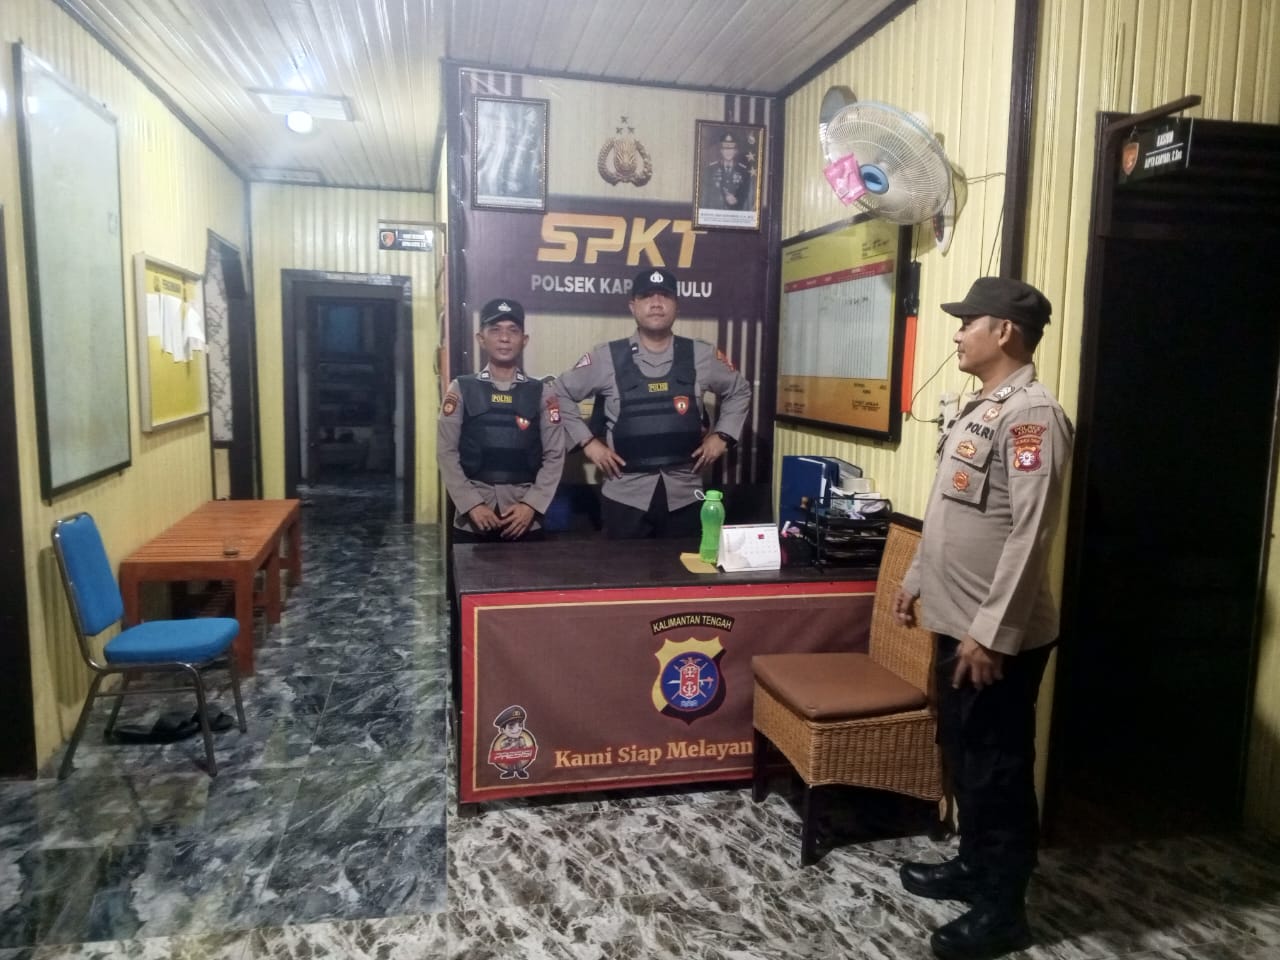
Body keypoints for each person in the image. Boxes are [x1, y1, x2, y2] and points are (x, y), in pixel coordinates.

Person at [893, 277, 1074, 960]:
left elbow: (1031, 532)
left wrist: (991, 635)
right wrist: (915, 579)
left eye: (969, 321)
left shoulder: (1032, 416)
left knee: (998, 770)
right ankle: (973, 867)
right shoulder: (982, 408)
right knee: (967, 757)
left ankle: (1003, 911)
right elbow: (947, 511)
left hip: (996, 639)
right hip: (959, 625)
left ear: (1004, 331)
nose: (958, 332)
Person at [554, 267, 751, 539]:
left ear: (677, 306)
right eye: (647, 296)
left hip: (685, 495)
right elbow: (557, 393)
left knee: (685, 566)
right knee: (624, 567)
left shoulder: (700, 354)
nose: (656, 303)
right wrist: (588, 443)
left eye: (665, 296)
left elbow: (740, 390)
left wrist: (723, 436)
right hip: (624, 497)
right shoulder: (606, 356)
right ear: (633, 306)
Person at [437, 298, 564, 542]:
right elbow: (446, 452)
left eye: (513, 331)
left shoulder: (543, 392)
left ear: (524, 340)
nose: (504, 338)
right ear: (481, 339)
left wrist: (531, 505)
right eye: (495, 330)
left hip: (526, 519)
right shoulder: (461, 389)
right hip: (472, 519)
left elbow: (555, 455)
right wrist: (472, 504)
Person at [699, 132, 754, 210]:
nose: (728, 152)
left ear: (735, 151)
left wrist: (737, 200)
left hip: (736, 213)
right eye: (725, 149)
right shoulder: (710, 170)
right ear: (721, 150)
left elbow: (746, 196)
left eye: (731, 149)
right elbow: (705, 197)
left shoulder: (743, 171)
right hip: (715, 213)